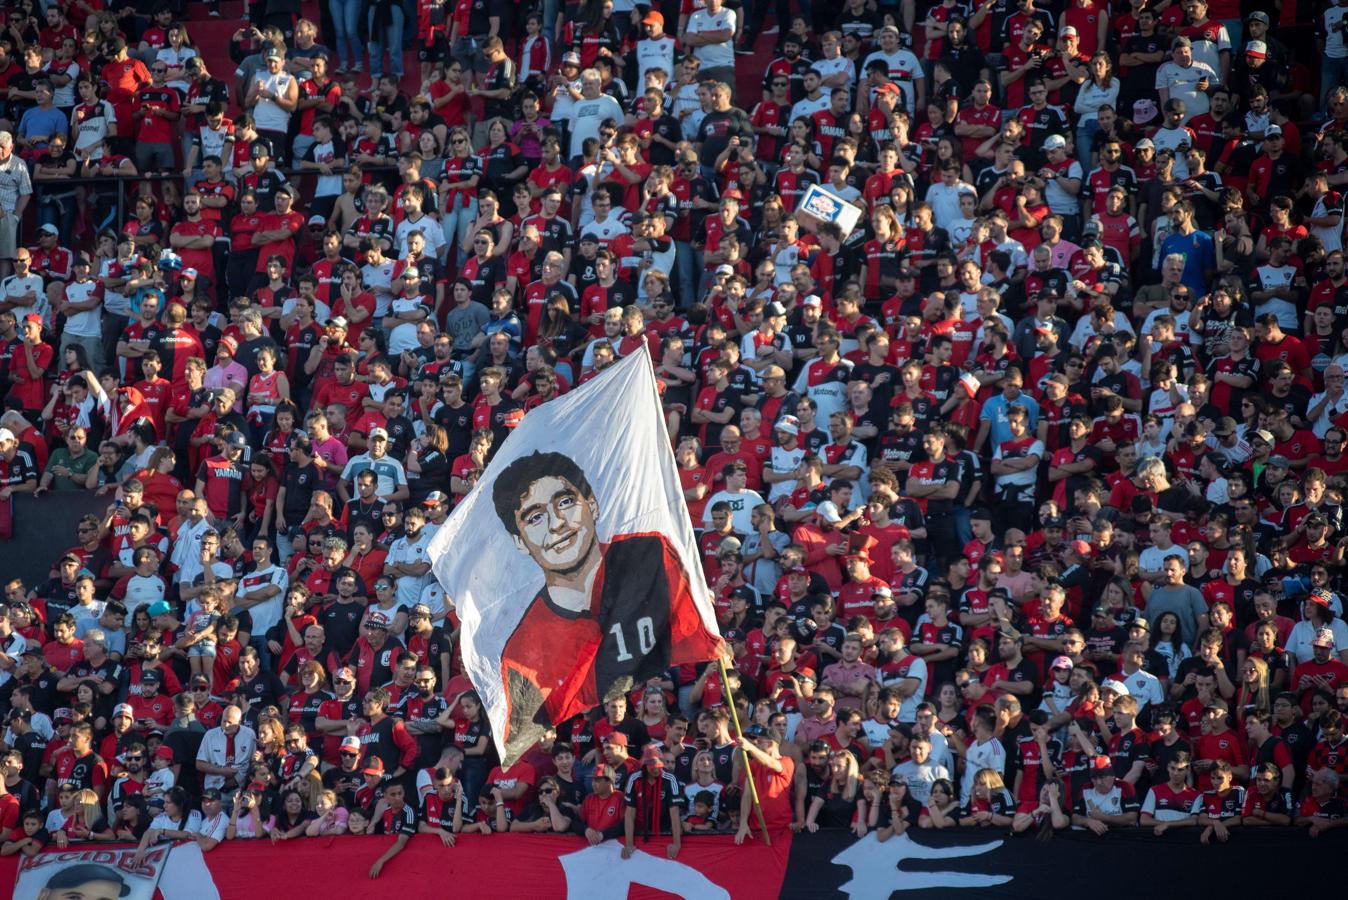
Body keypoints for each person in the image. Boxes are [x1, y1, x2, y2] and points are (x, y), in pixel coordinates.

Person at [491, 451, 721, 757]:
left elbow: (689, 633)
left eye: (565, 502)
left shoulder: (651, 553)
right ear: (519, 541)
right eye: (535, 517)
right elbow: (528, 728)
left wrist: (712, 637)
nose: (557, 523)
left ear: (592, 504)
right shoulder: (521, 650)